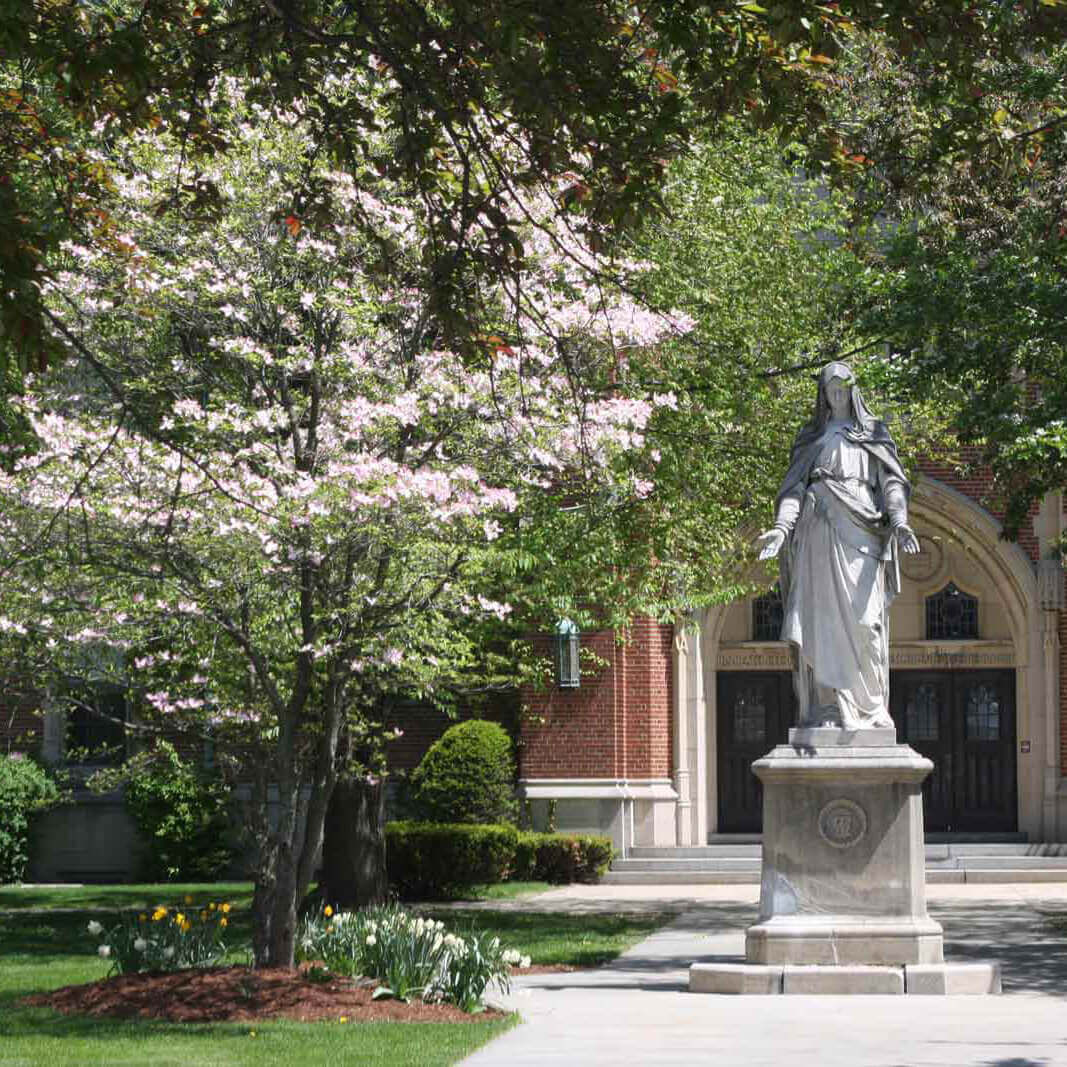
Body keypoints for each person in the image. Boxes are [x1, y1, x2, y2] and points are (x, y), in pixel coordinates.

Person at [755, 362, 919, 730]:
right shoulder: (812, 437)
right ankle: (829, 708)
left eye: (844, 386)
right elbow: (794, 489)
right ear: (824, 394)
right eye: (832, 388)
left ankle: (871, 708)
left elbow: (891, 484)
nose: (839, 393)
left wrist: (900, 521)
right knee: (822, 624)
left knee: (867, 623)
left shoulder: (874, 433)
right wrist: (781, 529)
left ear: (854, 390)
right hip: (820, 530)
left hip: (863, 529)